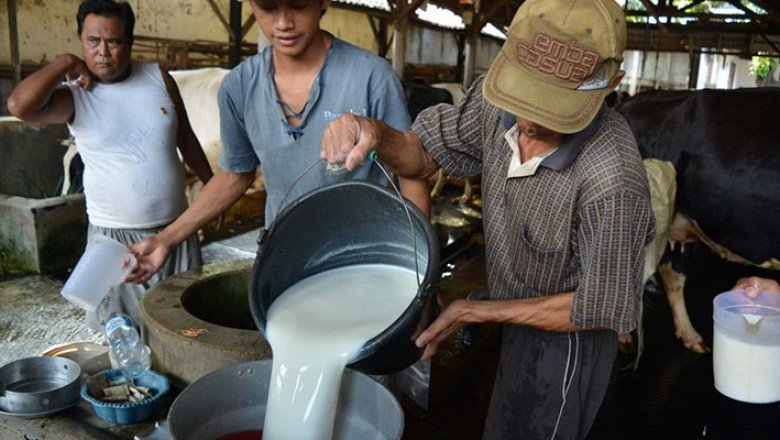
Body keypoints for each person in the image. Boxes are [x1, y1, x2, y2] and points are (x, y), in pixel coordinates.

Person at [321, 0, 655, 438]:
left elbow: (597, 308)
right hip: (509, 312)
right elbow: (421, 156)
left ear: (612, 83)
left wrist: (476, 311)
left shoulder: (613, 177)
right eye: (524, 96)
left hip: (568, 347)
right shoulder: (494, 102)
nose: (528, 123)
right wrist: (373, 132)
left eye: (552, 107)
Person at [127, 0, 429, 284]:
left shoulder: (372, 77)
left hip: (363, 259)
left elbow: (411, 176)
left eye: (297, 5)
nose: (283, 23)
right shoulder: (239, 86)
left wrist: (420, 273)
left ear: (323, 1)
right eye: (268, 7)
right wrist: (165, 239)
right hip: (283, 257)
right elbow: (236, 173)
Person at [7, 0, 213, 330]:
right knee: (122, 334)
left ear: (129, 43)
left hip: (176, 231)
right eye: (92, 42)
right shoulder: (75, 96)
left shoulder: (159, 78)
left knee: (184, 326)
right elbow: (19, 105)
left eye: (114, 42)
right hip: (114, 241)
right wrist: (65, 63)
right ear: (81, 42)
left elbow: (185, 137)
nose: (103, 52)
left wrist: (211, 188)